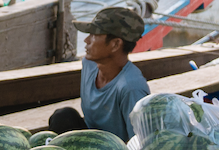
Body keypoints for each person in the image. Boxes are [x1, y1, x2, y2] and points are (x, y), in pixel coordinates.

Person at [48, 7, 149, 140]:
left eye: (94, 35)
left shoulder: (131, 88)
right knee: (62, 116)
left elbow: (139, 145)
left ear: (115, 44)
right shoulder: (89, 64)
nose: (87, 40)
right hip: (93, 141)